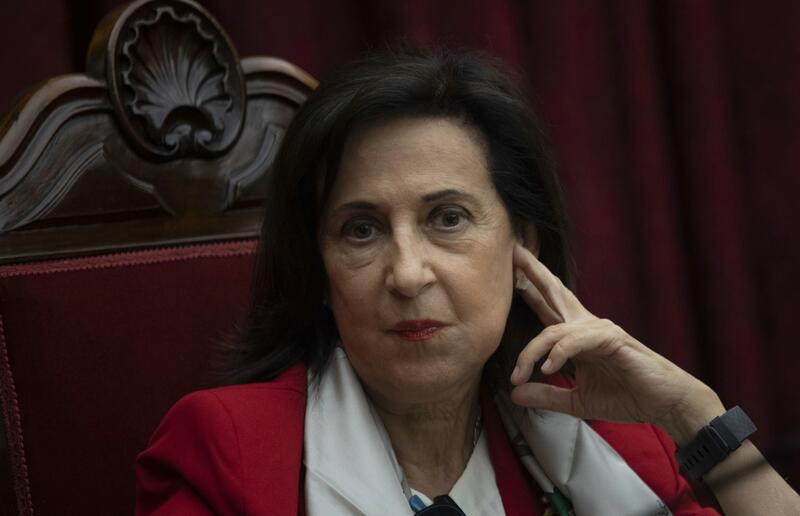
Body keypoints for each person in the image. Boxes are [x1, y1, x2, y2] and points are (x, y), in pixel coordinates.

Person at [134, 48, 799, 515]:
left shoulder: (606, 433)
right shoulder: (230, 450)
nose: (407, 273)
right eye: (361, 230)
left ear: (522, 246)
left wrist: (694, 415)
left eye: (447, 218)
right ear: (320, 269)